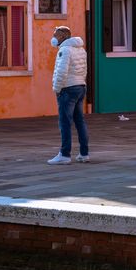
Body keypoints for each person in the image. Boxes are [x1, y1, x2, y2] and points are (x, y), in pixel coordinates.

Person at [48, 25, 90, 165]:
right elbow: (84, 69)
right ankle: (84, 154)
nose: (53, 38)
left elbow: (61, 72)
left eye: (55, 35)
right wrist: (81, 83)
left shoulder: (64, 50)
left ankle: (65, 154)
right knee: (80, 121)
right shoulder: (80, 49)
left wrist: (57, 89)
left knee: (64, 122)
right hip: (80, 86)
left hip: (68, 88)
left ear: (62, 36)